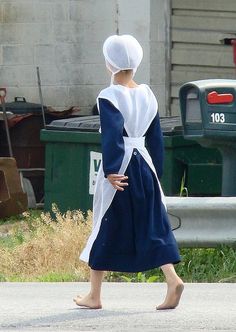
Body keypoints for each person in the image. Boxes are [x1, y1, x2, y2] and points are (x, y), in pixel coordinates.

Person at [75, 35, 184, 310]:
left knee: (105, 225)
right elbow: (156, 139)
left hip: (120, 168)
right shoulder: (148, 94)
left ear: (110, 64)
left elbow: (112, 135)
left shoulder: (109, 95)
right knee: (152, 224)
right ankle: (172, 279)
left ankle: (94, 295)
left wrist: (111, 169)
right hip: (144, 165)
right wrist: (155, 173)